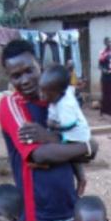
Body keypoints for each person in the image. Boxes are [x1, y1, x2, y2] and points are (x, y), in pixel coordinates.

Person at [0, 39, 98, 221]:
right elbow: (39, 155)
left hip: (72, 212)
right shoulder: (12, 105)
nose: (24, 80)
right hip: (40, 219)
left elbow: (77, 136)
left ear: (40, 67)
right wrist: (87, 147)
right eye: (16, 76)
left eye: (29, 70)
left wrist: (54, 139)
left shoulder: (60, 99)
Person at [40, 63, 89, 196]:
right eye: (42, 91)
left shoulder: (65, 105)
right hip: (67, 130)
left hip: (76, 134)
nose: (43, 96)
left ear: (59, 92)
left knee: (70, 155)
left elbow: (70, 125)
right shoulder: (58, 93)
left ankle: (81, 180)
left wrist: (54, 126)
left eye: (47, 93)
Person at [98, 37, 111, 118]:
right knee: (105, 94)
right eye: (108, 42)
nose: (110, 44)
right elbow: (99, 65)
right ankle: (103, 112)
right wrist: (104, 70)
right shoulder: (102, 52)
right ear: (105, 43)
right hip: (105, 76)